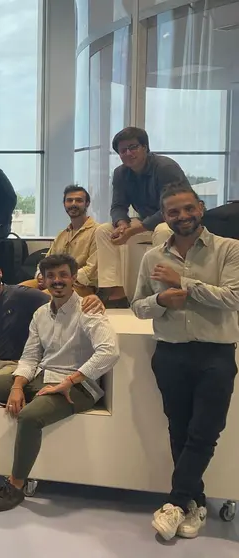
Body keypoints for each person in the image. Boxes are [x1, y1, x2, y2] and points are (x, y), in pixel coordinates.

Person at [0, 254, 119, 514]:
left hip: (79, 386)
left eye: (63, 275)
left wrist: (70, 381)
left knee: (28, 416)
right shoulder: (41, 313)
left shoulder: (86, 309)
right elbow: (30, 357)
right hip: (42, 375)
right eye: (51, 276)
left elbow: (108, 352)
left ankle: (16, 485)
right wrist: (17, 386)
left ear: (74, 277)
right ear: (44, 280)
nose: (57, 281)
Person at [131, 183, 239, 541]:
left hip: (216, 354)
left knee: (205, 432)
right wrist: (162, 301)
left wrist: (184, 283)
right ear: (165, 217)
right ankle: (197, 502)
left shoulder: (229, 249)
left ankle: (175, 502)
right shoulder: (151, 257)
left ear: (201, 208)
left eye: (188, 209)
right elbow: (138, 306)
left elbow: (233, 298)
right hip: (171, 353)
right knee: (179, 430)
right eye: (174, 212)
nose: (183, 217)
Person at [97, 127, 189, 308]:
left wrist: (134, 230)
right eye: (123, 151)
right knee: (104, 231)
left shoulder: (165, 167)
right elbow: (118, 206)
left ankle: (161, 291)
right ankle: (116, 291)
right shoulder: (120, 173)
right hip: (146, 220)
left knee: (163, 231)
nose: (128, 153)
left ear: (145, 147)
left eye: (133, 147)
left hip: (177, 221)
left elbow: (172, 208)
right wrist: (122, 225)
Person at [19, 185, 97, 297]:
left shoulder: (96, 232)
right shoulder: (62, 234)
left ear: (87, 203)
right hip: (53, 281)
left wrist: (59, 278)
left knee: (38, 299)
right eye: (69, 200)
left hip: (81, 287)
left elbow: (92, 269)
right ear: (64, 204)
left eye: (79, 200)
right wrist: (41, 275)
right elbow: (46, 261)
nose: (73, 204)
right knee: (16, 292)